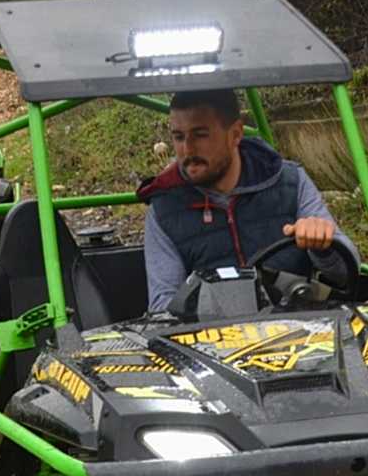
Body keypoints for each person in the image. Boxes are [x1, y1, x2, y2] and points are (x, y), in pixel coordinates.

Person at [137, 89, 356, 312]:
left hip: (300, 328)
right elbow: (163, 306)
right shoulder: (164, 209)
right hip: (214, 340)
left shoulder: (289, 182)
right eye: (178, 137)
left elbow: (347, 271)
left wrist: (323, 247)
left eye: (200, 135)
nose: (187, 149)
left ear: (235, 134)